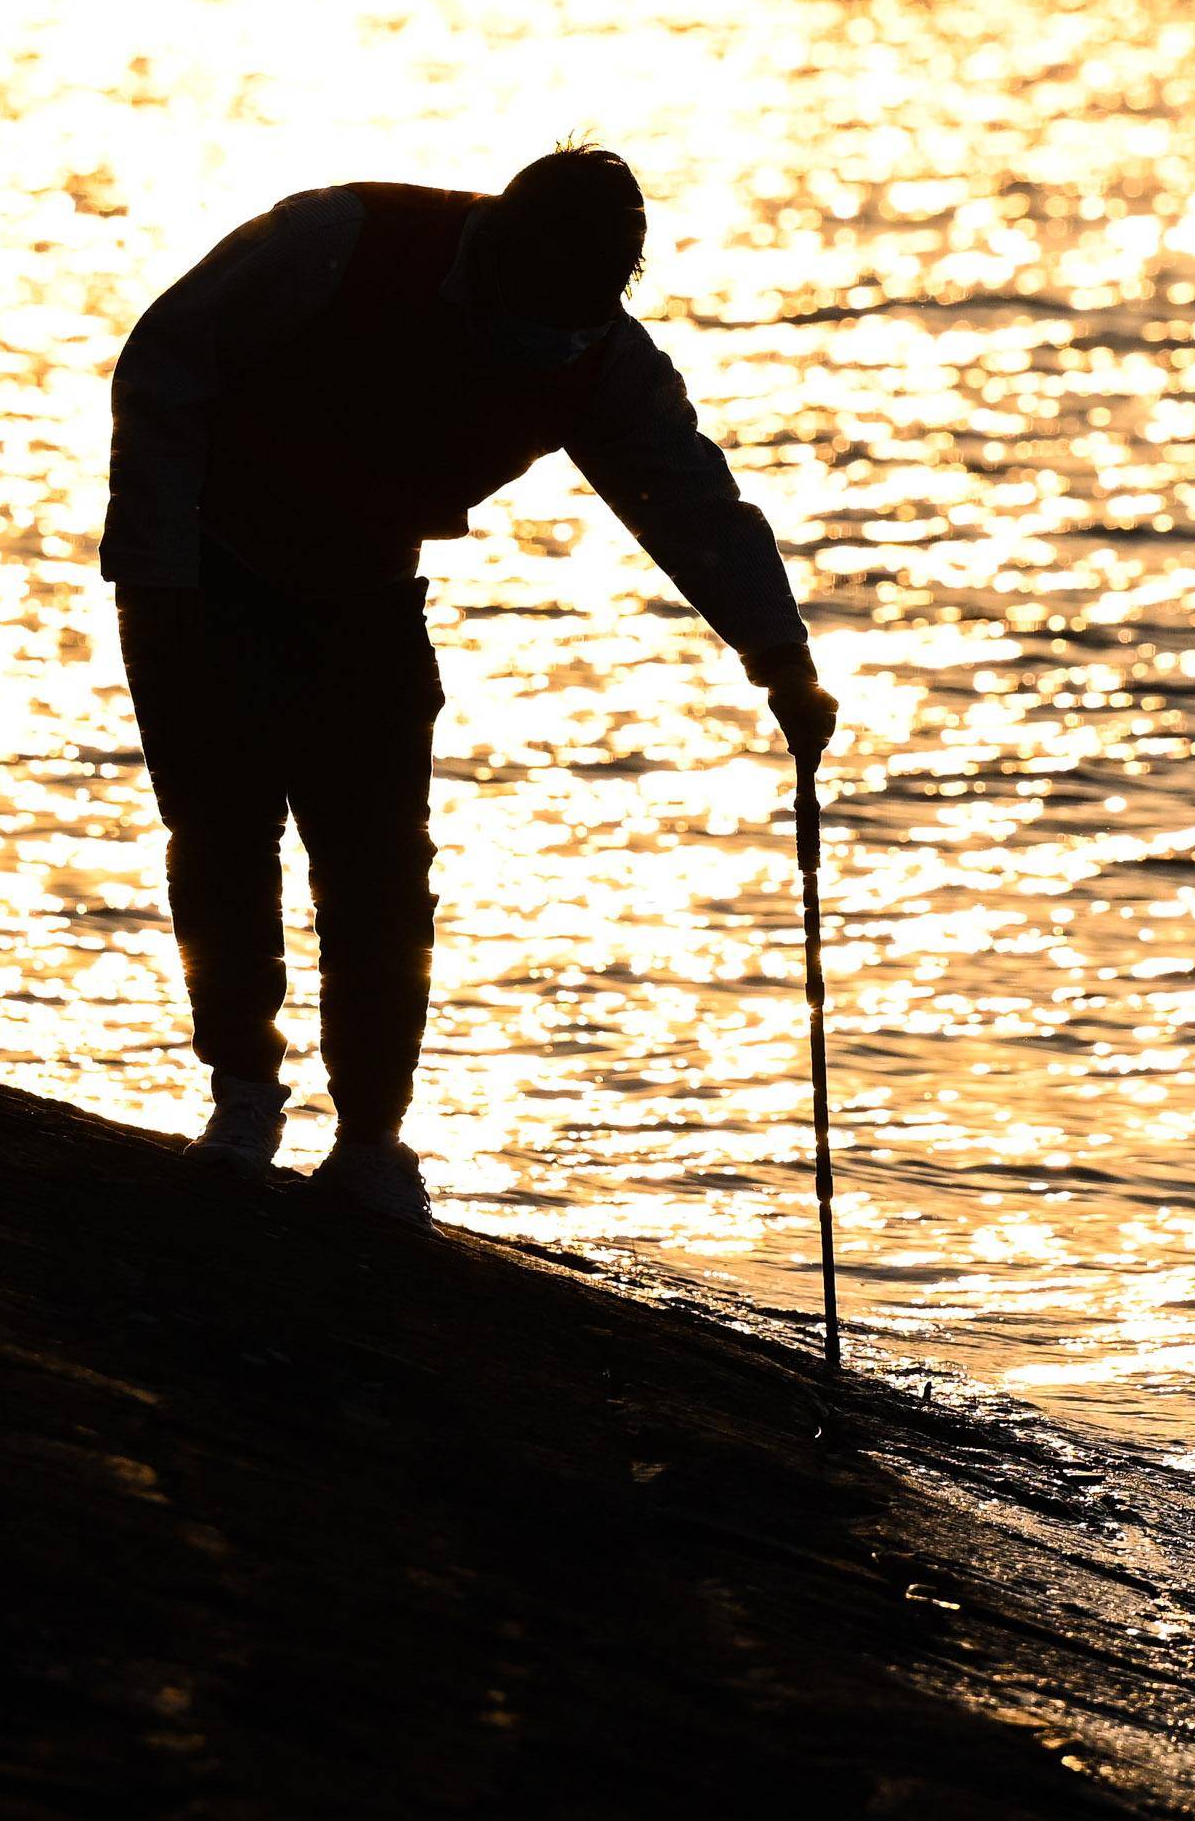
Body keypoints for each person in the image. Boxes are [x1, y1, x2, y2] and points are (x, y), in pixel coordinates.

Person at [104, 146, 834, 1219]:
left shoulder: (598, 356)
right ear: (495, 241)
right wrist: (160, 572)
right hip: (204, 569)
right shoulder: (337, 238)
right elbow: (167, 366)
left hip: (368, 591)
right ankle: (244, 1100)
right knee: (220, 836)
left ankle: (368, 1141)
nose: (550, 327)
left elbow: (686, 502)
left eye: (584, 307)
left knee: (381, 872)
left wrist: (781, 660)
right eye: (538, 298)